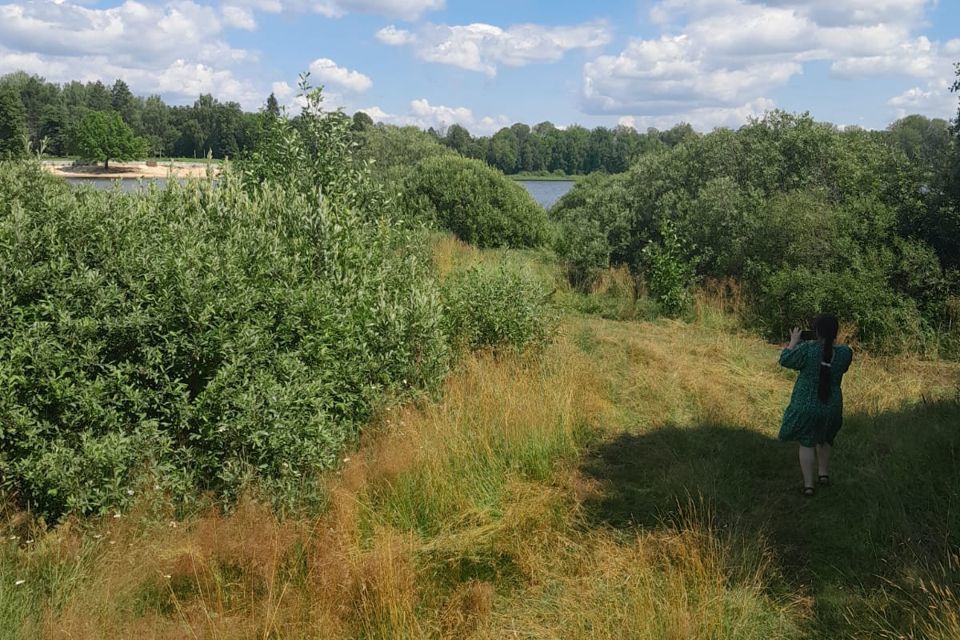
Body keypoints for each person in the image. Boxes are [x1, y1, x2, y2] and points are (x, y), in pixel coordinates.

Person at [778, 313, 853, 497]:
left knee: (807, 442)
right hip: (832, 406)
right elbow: (839, 365)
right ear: (836, 332)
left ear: (816, 331)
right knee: (826, 438)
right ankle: (824, 474)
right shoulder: (845, 353)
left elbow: (785, 359)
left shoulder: (808, 350)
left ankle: (809, 485)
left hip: (806, 404)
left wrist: (794, 341)